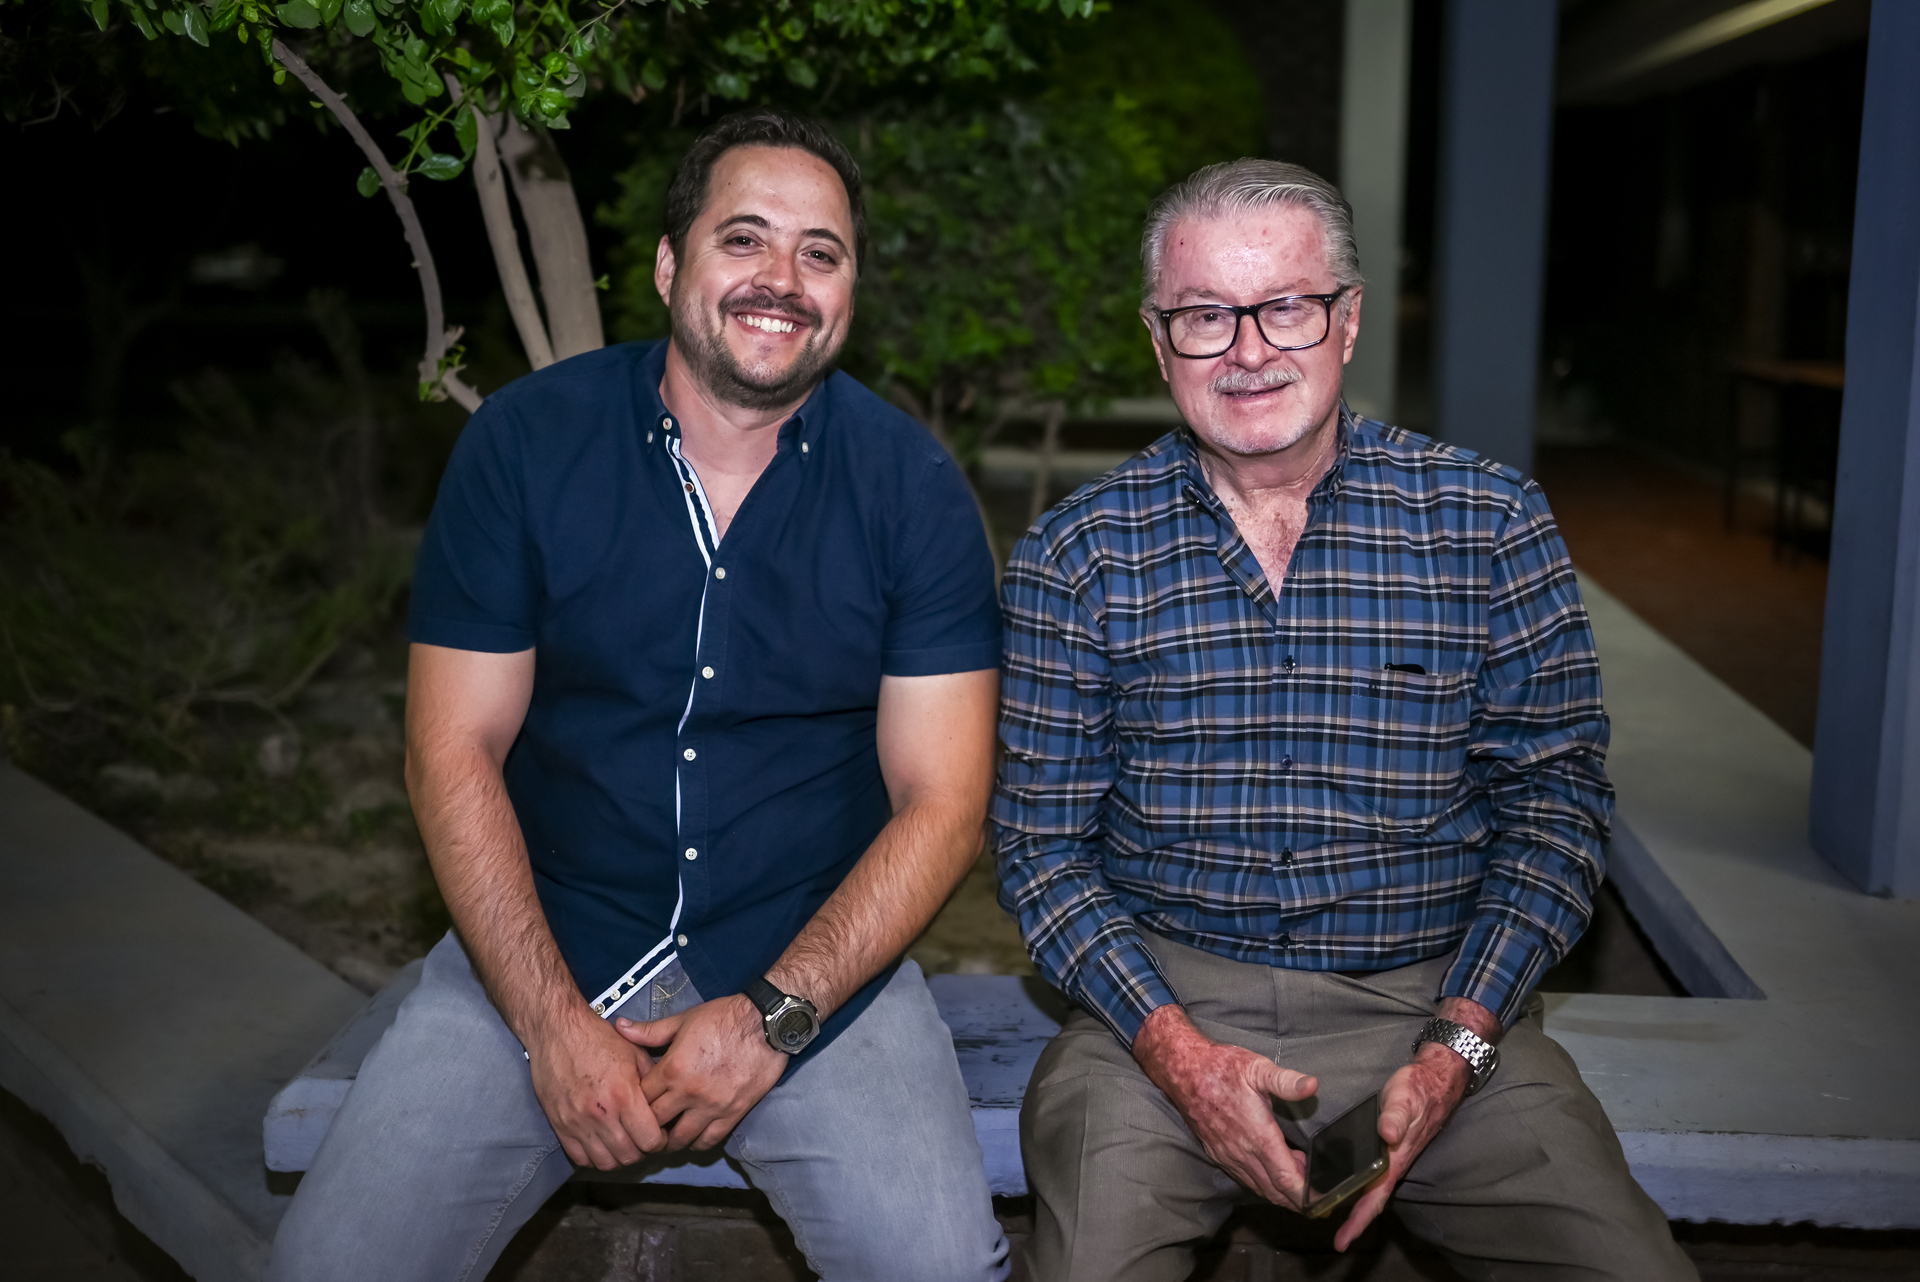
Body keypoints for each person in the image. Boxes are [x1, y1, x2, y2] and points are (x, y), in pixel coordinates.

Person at [268, 108, 1011, 1282]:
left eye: (821, 253)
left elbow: (944, 802)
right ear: (670, 265)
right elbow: (451, 748)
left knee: (935, 1265)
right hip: (541, 950)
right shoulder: (525, 445)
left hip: (812, 976)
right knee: (336, 1266)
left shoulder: (911, 488)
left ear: (852, 291)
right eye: (744, 239)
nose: (783, 279)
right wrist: (550, 1025)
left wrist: (775, 1014)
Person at [992, 158, 1697, 1282]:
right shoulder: (1076, 556)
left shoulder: (1487, 524)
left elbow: (1556, 813)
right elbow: (1039, 851)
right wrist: (1179, 1057)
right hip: (1161, 1011)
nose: (1249, 350)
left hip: (1438, 1000)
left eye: (1287, 306)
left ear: (1350, 319)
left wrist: (1458, 1046)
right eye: (1205, 316)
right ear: (1158, 341)